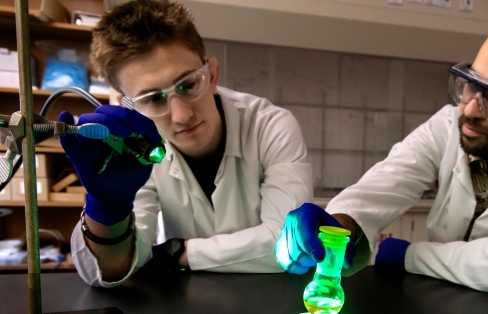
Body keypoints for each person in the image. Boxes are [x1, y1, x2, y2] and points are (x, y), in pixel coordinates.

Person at [275, 7, 488, 302]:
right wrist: (340, 225)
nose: (471, 109)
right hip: (447, 295)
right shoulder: (450, 122)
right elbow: (384, 185)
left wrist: (409, 255)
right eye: (472, 82)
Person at [60, 0, 312, 286]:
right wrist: (107, 210)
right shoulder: (134, 150)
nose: (181, 115)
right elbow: (111, 271)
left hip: (276, 300)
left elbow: (291, 246)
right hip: (185, 305)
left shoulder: (271, 126)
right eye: (153, 99)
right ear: (127, 106)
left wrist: (177, 252)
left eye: (188, 84)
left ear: (212, 74)